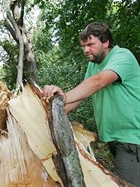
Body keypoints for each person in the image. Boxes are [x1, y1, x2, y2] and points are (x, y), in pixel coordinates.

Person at [42, 22, 140, 186]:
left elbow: (98, 82)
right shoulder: (93, 66)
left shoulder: (122, 56)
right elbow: (79, 97)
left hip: (133, 138)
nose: (86, 49)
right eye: (83, 46)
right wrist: (51, 115)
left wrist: (64, 96)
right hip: (115, 139)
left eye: (90, 44)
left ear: (106, 42)